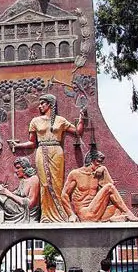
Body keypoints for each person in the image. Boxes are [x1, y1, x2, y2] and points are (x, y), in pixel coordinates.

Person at [9, 94, 86, 223]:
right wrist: (18, 145)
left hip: (56, 152)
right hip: (41, 151)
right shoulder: (35, 121)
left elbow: (77, 132)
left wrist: (82, 118)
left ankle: (61, 215)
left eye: (42, 103)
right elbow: (32, 143)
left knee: (57, 184)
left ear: (50, 104)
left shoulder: (60, 120)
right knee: (44, 185)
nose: (39, 106)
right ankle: (46, 216)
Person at [61, 150, 138, 222]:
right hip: (84, 213)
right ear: (91, 161)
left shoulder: (97, 174)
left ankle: (113, 219)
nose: (100, 165)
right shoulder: (75, 174)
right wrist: (71, 214)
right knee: (109, 188)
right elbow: (64, 194)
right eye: (98, 162)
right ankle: (127, 213)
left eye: (101, 163)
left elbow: (113, 192)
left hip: (96, 212)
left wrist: (104, 169)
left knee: (118, 208)